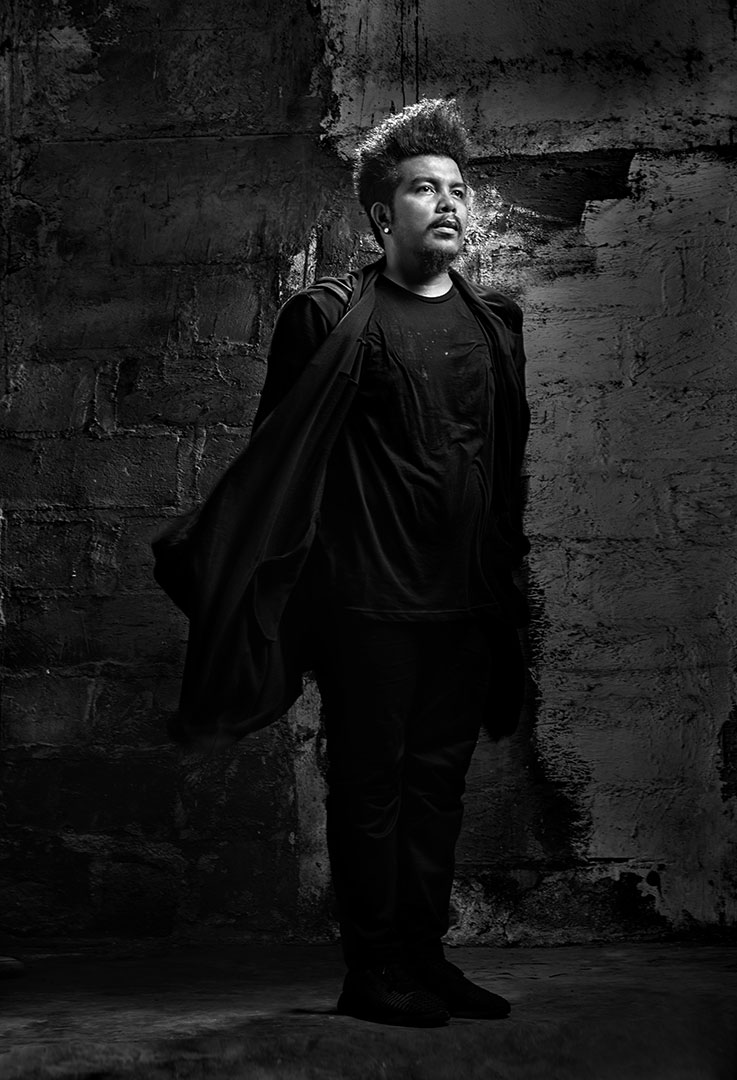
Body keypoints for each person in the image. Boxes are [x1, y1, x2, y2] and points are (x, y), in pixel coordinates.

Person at [154, 98, 530, 1028]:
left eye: (456, 189)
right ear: (380, 214)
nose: (447, 203)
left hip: (465, 605)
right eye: (422, 189)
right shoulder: (325, 317)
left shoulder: (496, 326)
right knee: (370, 788)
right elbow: (278, 469)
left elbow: (500, 470)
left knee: (437, 788)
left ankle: (424, 958)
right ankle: (375, 969)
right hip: (366, 606)